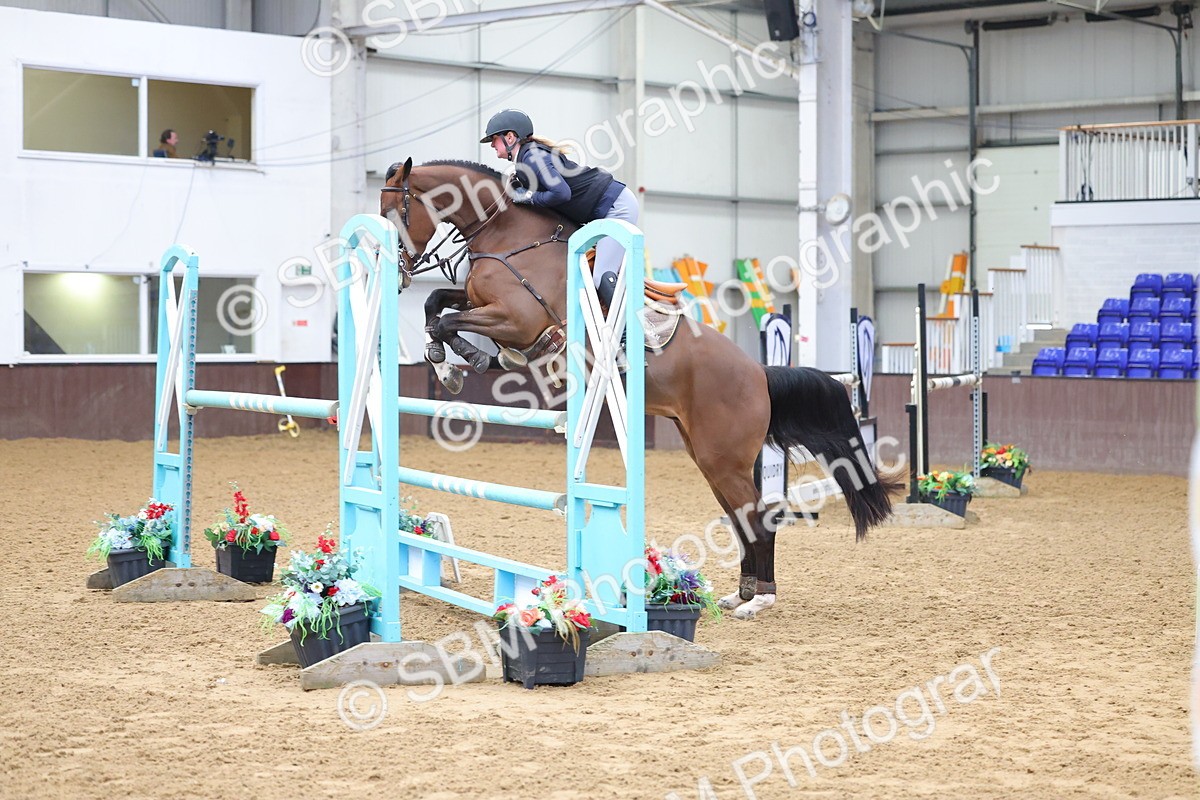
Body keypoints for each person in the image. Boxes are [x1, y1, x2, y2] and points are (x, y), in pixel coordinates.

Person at [481, 109, 639, 308]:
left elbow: (561, 193)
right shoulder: (526, 160)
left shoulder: (533, 157)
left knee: (600, 275)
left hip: (617, 206)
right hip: (607, 207)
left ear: (510, 137)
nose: (493, 145)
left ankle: (628, 333)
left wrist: (529, 197)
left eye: (495, 139)